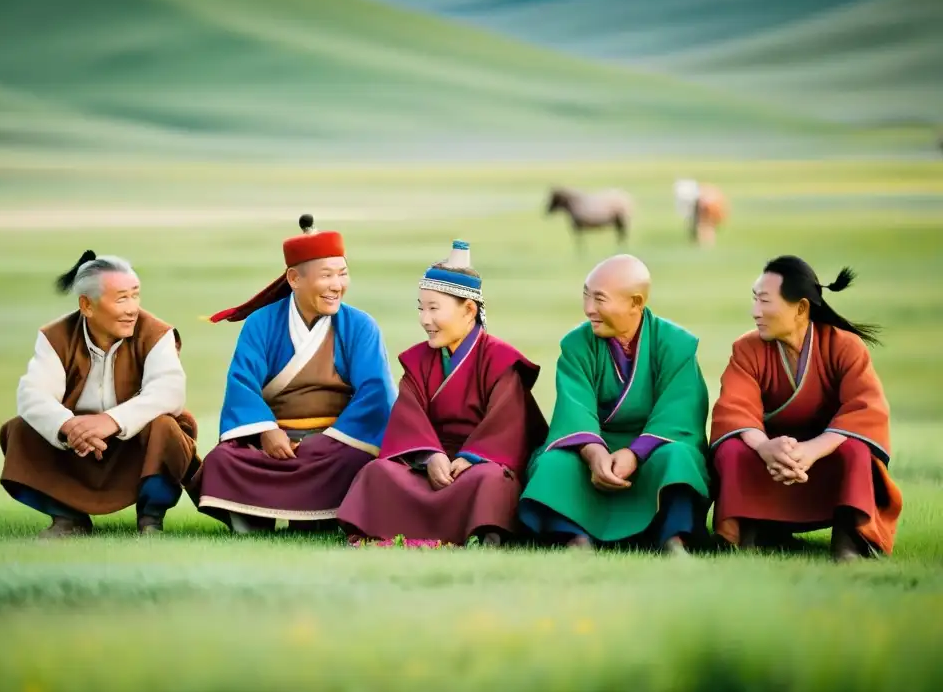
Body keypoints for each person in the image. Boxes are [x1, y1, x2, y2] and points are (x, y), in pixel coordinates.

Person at [186, 215, 396, 532]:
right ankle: (253, 518)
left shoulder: (360, 326)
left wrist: (328, 441)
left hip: (334, 444)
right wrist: (267, 431)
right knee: (222, 461)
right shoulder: (261, 323)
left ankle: (318, 518)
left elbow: (376, 393)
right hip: (274, 443)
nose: (337, 285)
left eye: (343, 274)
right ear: (294, 278)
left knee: (358, 464)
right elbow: (242, 385)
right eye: (327, 276)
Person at [337, 241, 548, 547]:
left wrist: (471, 458)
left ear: (469, 310)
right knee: (378, 472)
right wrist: (430, 455)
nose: (425, 320)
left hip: (480, 463)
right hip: (427, 463)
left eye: (434, 309)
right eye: (421, 308)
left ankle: (484, 533)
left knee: (490, 482)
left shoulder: (500, 359)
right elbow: (408, 417)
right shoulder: (417, 361)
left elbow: (508, 425)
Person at [709, 255, 902, 561]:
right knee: (732, 449)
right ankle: (747, 533)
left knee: (856, 450)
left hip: (822, 459)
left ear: (800, 308)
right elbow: (735, 409)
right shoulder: (746, 349)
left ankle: (849, 540)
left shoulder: (845, 347)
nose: (754, 312)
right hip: (770, 460)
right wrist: (766, 447)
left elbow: (864, 410)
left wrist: (812, 450)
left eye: (764, 302)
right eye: (754, 300)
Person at [518, 254, 711, 555]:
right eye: (586, 296)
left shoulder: (676, 344)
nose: (588, 309)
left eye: (599, 299)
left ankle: (674, 538)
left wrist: (635, 454)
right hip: (590, 450)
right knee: (552, 464)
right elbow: (574, 411)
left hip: (653, 450)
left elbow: (679, 413)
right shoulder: (575, 345)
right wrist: (595, 456)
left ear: (635, 303)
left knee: (680, 458)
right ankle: (575, 538)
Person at [0, 251, 201, 537]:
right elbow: (32, 393)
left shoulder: (156, 333)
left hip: (134, 445)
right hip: (78, 446)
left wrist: (111, 421)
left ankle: (150, 519)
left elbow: (169, 391)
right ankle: (68, 518)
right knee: (19, 430)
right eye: (121, 299)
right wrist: (68, 426)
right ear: (87, 305)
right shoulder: (55, 336)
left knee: (165, 427)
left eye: (135, 296)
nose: (132, 308)